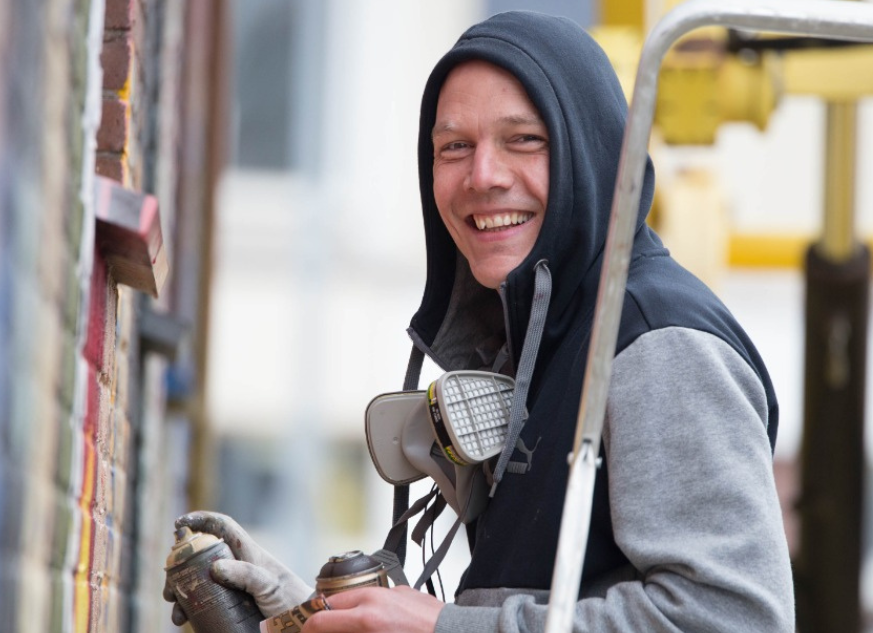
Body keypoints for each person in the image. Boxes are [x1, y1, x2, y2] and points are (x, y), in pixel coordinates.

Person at [168, 11, 794, 632]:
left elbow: (732, 619)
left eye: (524, 139)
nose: (483, 176)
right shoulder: (543, 349)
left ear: (592, 152)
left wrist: (443, 629)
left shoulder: (653, 341)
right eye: (454, 147)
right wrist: (308, 615)